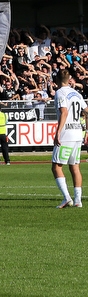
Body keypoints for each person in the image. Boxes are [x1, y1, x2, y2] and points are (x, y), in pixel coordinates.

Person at [51, 70, 85, 208]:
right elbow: (86, 110)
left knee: (56, 167)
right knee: (75, 167)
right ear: (69, 78)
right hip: (78, 133)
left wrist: (58, 132)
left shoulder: (60, 92)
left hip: (67, 133)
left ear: (58, 80)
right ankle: (78, 200)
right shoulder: (77, 93)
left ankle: (66, 198)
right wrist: (86, 129)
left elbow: (64, 112)